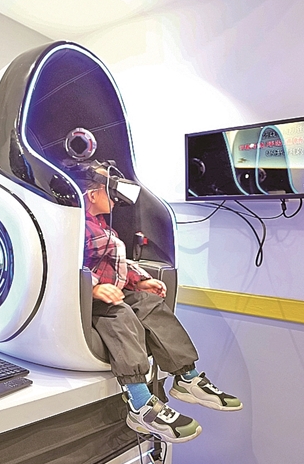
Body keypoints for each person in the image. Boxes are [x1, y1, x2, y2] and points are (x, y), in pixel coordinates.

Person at [78, 162, 242, 444]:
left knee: (149, 303)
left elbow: (117, 263)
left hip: (110, 291)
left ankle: (186, 377)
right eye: (110, 190)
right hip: (87, 301)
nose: (117, 198)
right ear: (92, 195)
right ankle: (140, 403)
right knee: (120, 313)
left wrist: (140, 281)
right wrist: (93, 288)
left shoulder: (102, 226)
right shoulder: (77, 228)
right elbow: (66, 265)